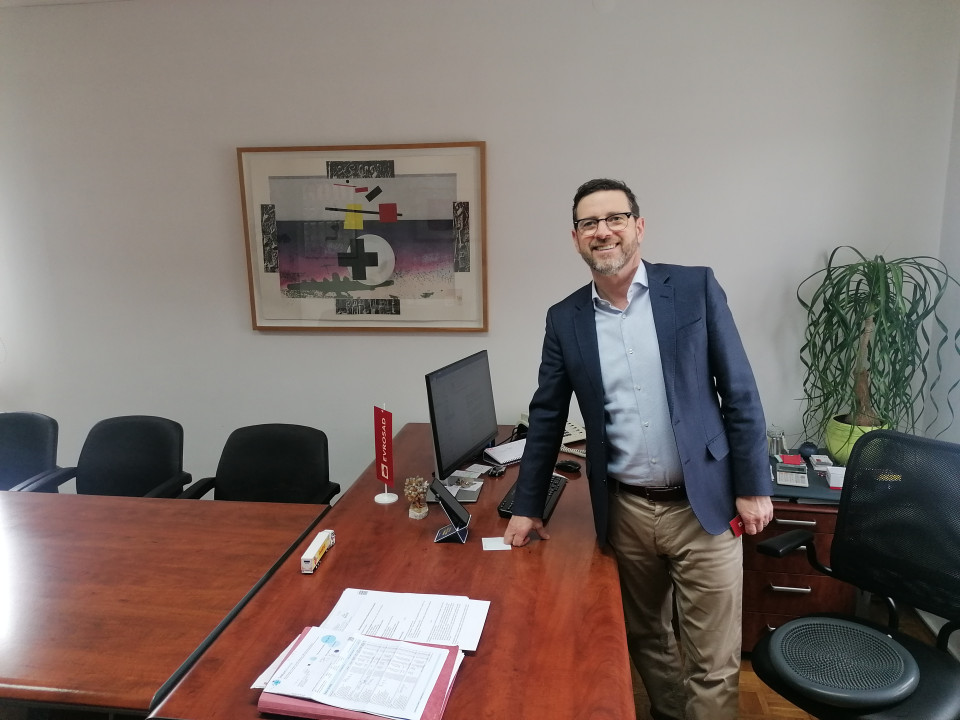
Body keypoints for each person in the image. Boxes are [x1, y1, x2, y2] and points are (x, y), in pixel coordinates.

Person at [503, 178, 773, 720]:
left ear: (638, 227)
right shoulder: (565, 318)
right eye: (589, 223)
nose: (603, 231)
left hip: (705, 507)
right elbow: (547, 416)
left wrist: (752, 486)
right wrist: (527, 506)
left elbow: (740, 391)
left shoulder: (694, 287)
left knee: (714, 661)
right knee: (647, 637)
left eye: (615, 218)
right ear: (576, 238)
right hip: (625, 510)